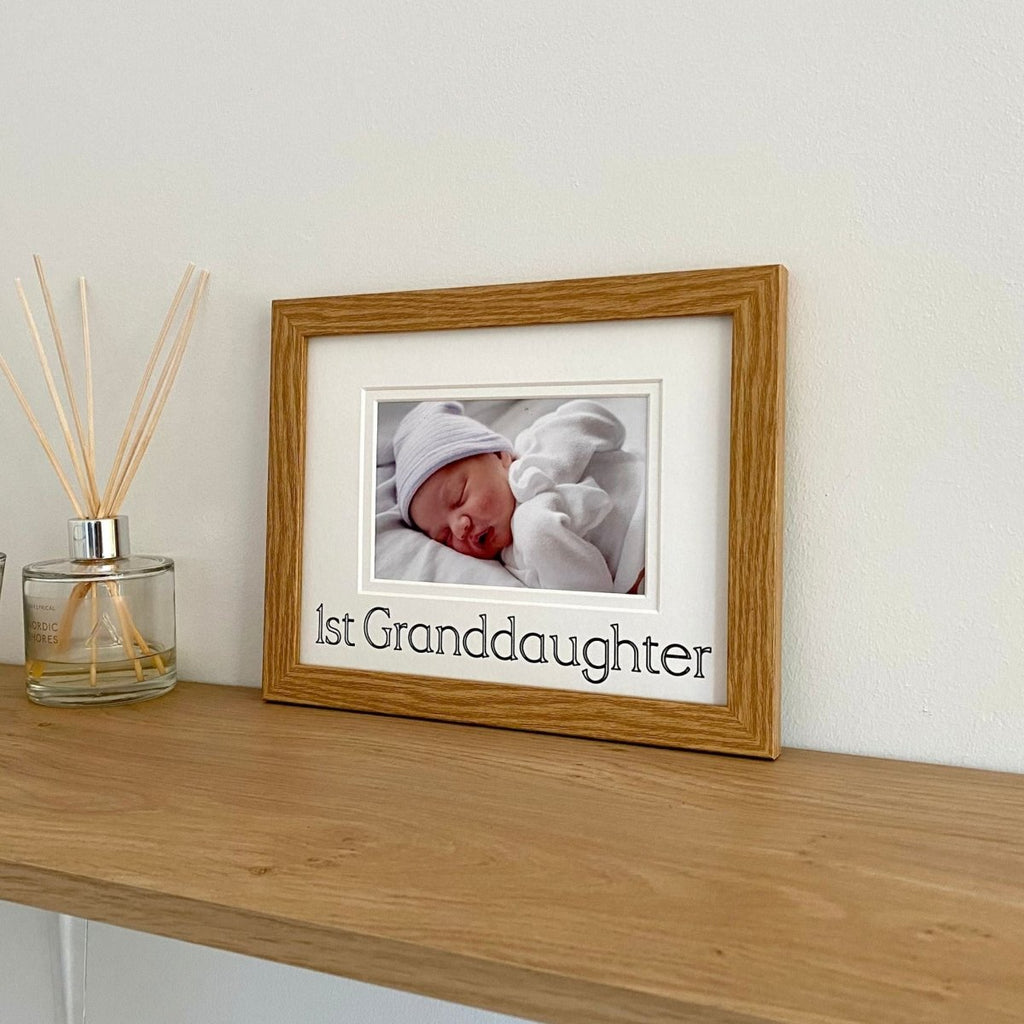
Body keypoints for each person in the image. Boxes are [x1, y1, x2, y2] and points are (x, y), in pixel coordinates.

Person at [393, 400, 645, 593]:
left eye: (459, 497)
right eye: (445, 537)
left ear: (499, 456)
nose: (459, 529)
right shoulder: (515, 562)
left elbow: (603, 423)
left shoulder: (537, 447)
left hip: (651, 496)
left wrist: (549, 467)